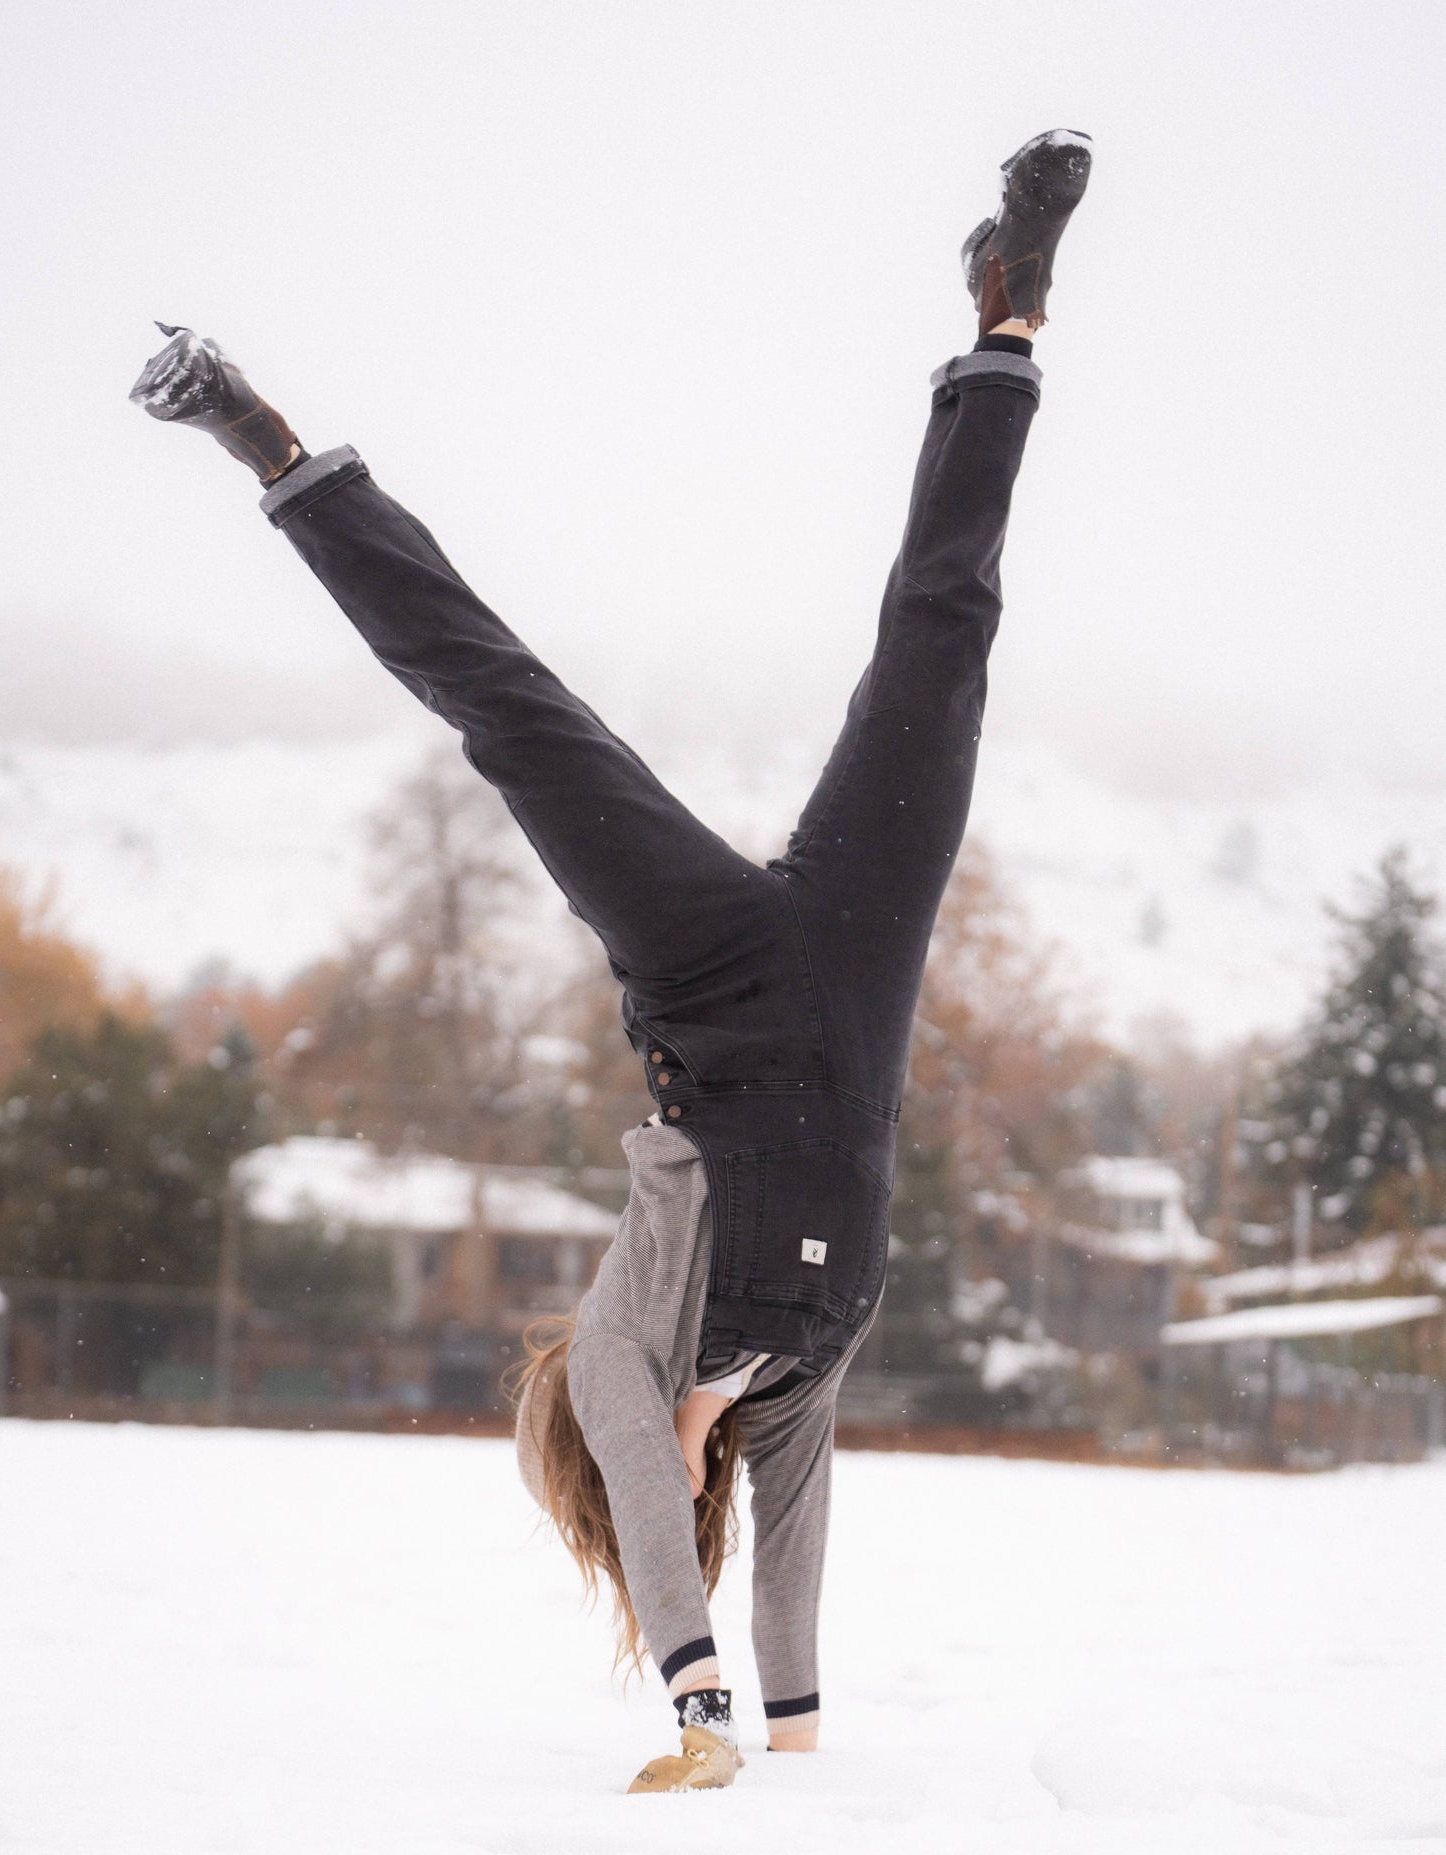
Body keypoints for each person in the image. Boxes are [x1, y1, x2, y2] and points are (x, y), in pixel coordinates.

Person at [130, 128, 1092, 1793]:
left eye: (586, 1432)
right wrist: (782, 1727)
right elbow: (792, 1562)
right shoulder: (795, 1398)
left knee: (510, 710)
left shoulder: (624, 1362)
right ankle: (1008, 312)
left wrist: (696, 1712)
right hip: (860, 980)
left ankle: (268, 441)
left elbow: (658, 1508)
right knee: (944, 639)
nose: (603, 1434)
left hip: (711, 980)